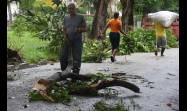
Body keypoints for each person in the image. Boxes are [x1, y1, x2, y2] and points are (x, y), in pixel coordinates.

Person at [60, 3, 87, 74]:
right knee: (63, 56)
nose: (71, 10)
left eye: (73, 8)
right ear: (68, 9)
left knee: (77, 56)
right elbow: (64, 28)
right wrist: (65, 36)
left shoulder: (81, 17)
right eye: (69, 8)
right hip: (67, 39)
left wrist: (79, 29)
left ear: (75, 9)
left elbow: (85, 28)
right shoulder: (66, 17)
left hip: (77, 40)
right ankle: (64, 72)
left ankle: (76, 73)